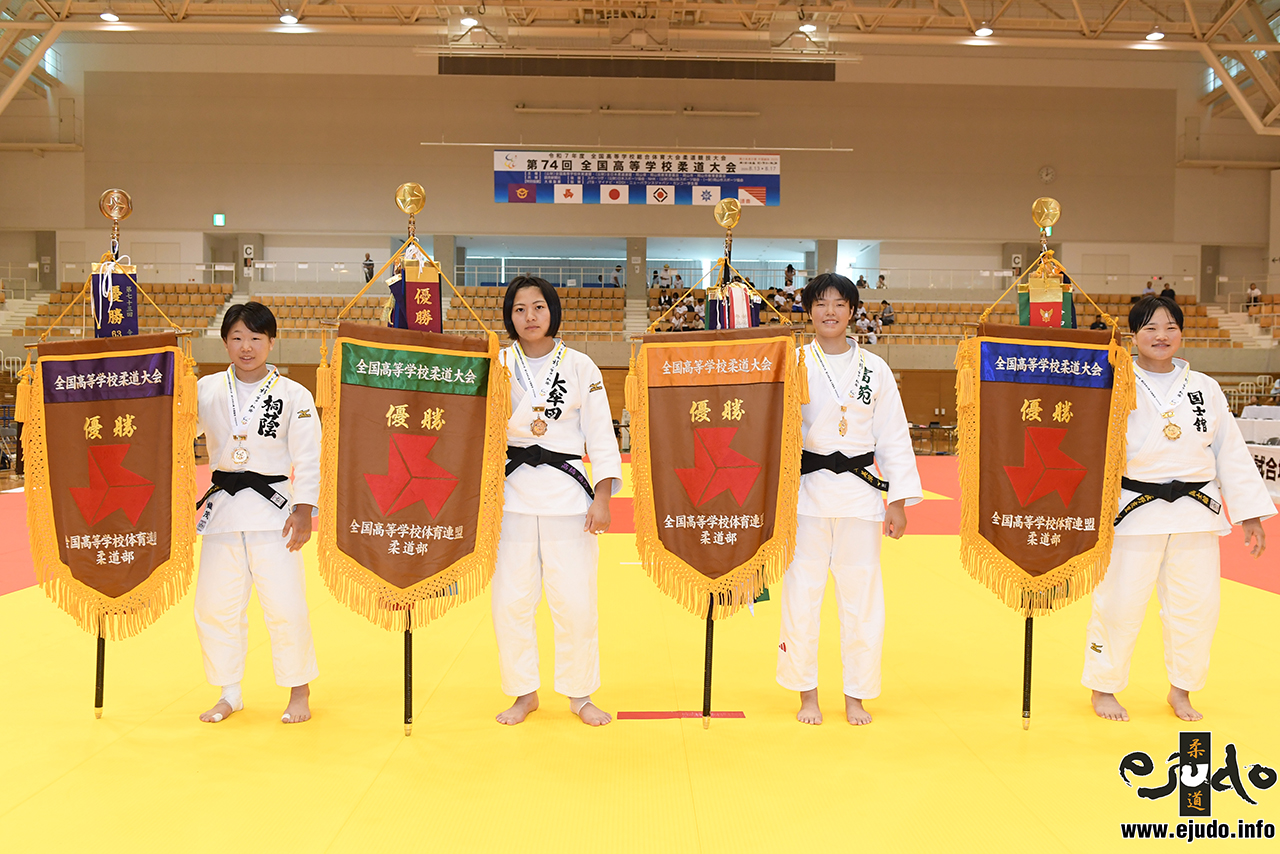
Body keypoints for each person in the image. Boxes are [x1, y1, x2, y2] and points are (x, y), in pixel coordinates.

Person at [1084, 296, 1273, 723]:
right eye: (1150, 328)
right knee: (1118, 604)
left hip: (1196, 511)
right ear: (1134, 335)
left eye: (1170, 327)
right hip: (1133, 510)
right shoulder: (1115, 382)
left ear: (1182, 333)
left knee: (1197, 607)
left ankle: (1181, 689)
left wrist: (1250, 513)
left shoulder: (1205, 387)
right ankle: (1104, 686)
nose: (1161, 336)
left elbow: (1230, 451)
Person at [779, 273, 922, 725]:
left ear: (853, 311)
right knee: (802, 596)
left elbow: (893, 436)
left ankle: (856, 694)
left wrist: (897, 500)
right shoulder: (792, 363)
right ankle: (806, 693)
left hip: (861, 496)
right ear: (808, 311)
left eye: (839, 304)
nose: (830, 312)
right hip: (805, 496)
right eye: (821, 303)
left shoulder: (875, 369)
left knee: (862, 599)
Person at [492, 277, 623, 727]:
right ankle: (523, 692)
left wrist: (602, 497)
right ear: (510, 317)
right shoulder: (497, 364)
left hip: (568, 496)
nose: (529, 316)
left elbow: (601, 435)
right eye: (519, 309)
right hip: (510, 496)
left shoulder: (581, 366)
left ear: (552, 311)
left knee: (576, 601)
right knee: (511, 601)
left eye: (538, 307)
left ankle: (580, 694)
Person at [193, 302, 321, 725]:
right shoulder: (206, 389)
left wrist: (304, 510)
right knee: (215, 606)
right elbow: (175, 431)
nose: (246, 347)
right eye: (237, 338)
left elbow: (309, 456)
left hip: (275, 514)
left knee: (285, 606)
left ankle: (298, 689)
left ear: (270, 341)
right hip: (223, 513)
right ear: (225, 342)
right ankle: (229, 692)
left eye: (255, 338)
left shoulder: (294, 394)